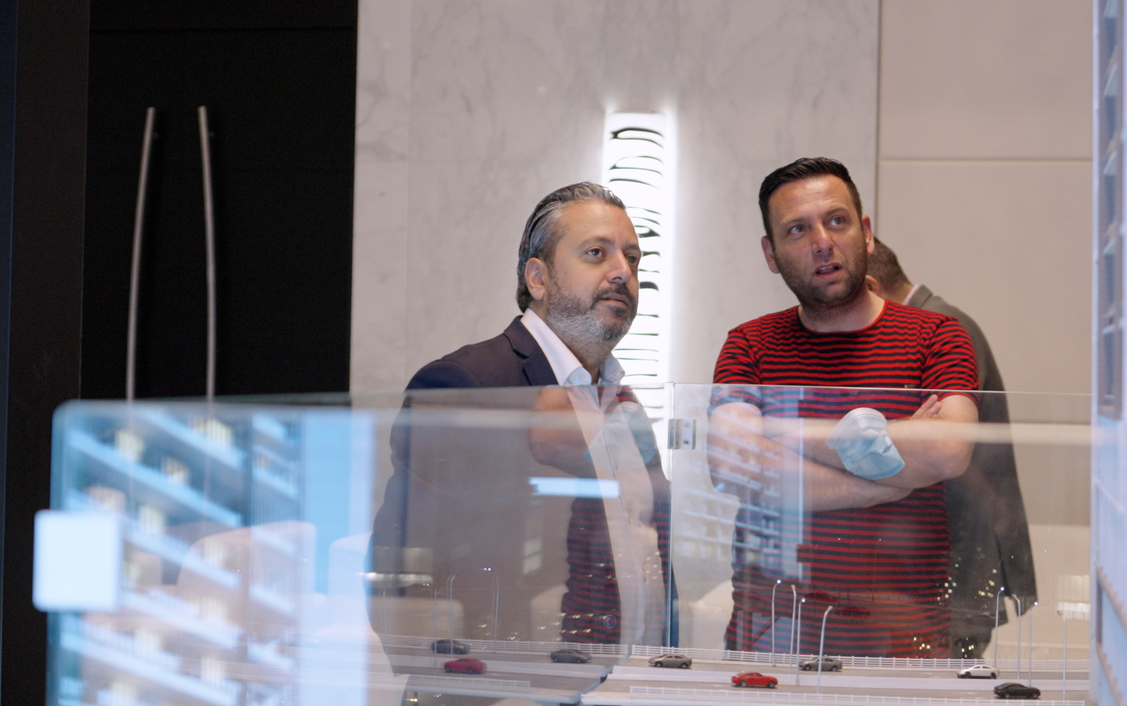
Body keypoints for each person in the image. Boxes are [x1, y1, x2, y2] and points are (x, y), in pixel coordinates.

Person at [376, 182, 669, 648]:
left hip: (630, 677)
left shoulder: (622, 399)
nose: (622, 272)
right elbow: (410, 569)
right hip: (515, 676)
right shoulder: (465, 384)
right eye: (596, 253)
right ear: (538, 278)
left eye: (632, 259)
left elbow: (650, 544)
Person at [709, 157, 979, 661]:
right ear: (771, 254)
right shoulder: (749, 344)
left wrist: (782, 434)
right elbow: (733, 463)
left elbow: (948, 450)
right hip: (773, 640)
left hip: (904, 643)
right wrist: (883, 481)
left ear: (866, 233)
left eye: (837, 220)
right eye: (797, 229)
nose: (822, 242)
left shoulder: (936, 335)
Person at [865, 238, 1038, 657]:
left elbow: (938, 452)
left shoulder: (940, 329)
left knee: (950, 680)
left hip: (959, 551)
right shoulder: (942, 323)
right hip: (957, 548)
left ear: (870, 287)